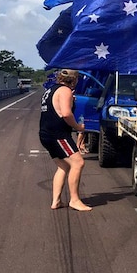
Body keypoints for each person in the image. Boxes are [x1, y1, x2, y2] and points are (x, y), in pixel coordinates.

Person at [39, 69, 92, 211]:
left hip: (46, 134)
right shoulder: (65, 91)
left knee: (63, 165)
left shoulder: (51, 90)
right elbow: (66, 113)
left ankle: (56, 201)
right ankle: (74, 200)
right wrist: (78, 126)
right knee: (78, 162)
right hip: (58, 135)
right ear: (74, 80)